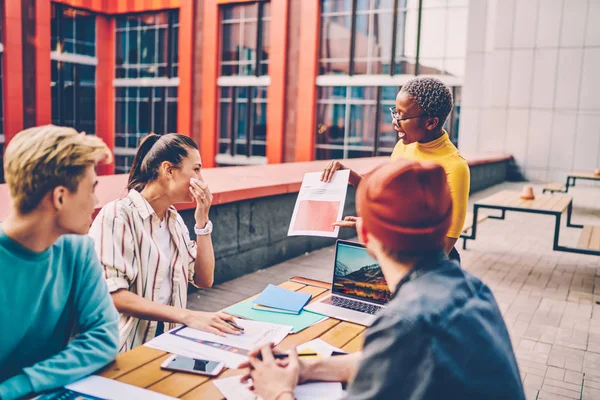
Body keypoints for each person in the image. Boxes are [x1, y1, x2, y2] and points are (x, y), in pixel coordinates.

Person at [241, 160, 525, 400]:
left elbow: (403, 342)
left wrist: (279, 391)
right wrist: (304, 369)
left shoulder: (406, 321)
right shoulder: (473, 289)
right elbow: (386, 362)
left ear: (365, 235)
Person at [89, 133, 241, 353]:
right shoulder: (117, 215)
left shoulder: (174, 221)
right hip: (124, 351)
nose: (201, 179)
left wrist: (202, 221)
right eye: (196, 169)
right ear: (168, 170)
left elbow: (204, 278)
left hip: (169, 346)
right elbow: (112, 294)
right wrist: (188, 316)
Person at [0, 125, 119, 399]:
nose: (96, 200)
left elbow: (104, 336)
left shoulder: (78, 251)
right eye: (91, 189)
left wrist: (19, 386)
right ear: (61, 197)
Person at [321, 77, 470, 263]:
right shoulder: (403, 146)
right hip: (397, 256)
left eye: (403, 116)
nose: (395, 121)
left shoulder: (455, 167)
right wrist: (350, 176)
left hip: (429, 267)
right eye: (395, 112)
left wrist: (384, 234)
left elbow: (446, 243)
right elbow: (386, 197)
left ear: (431, 122)